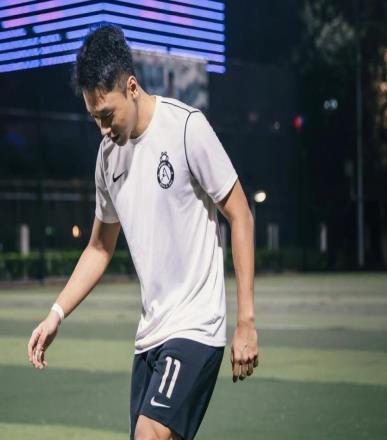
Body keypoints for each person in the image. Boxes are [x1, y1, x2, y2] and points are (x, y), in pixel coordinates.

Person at [27, 25, 259, 440]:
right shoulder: (107, 159)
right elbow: (99, 248)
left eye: (107, 115)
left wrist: (246, 321)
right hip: (149, 335)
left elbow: (240, 215)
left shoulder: (186, 128)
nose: (103, 128)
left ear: (131, 87)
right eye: (94, 118)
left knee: (148, 435)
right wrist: (55, 314)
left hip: (196, 325)